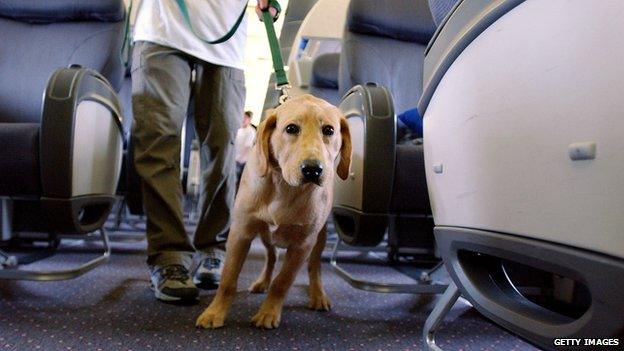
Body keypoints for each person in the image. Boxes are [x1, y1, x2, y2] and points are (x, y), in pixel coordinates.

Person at [131, 0, 280, 302]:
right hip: (163, 29)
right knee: (157, 142)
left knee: (223, 146)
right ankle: (168, 256)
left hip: (226, 41)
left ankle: (214, 247)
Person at [234, 111, 256, 188]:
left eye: (246, 118)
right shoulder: (239, 129)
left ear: (249, 120)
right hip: (234, 158)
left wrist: (240, 158)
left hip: (241, 161)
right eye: (243, 117)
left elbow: (247, 147)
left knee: (236, 181)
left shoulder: (251, 131)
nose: (243, 119)